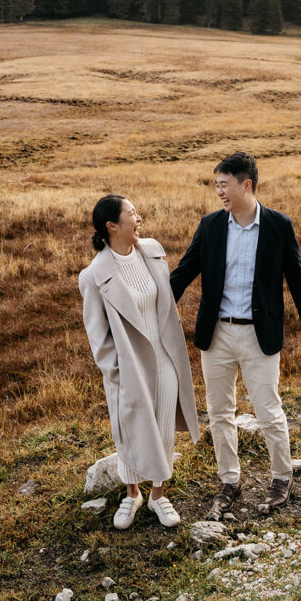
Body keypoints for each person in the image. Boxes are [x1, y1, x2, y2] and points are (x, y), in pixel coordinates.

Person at [170, 152, 301, 520]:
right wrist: (149, 307)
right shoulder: (209, 226)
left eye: (224, 184)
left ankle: (281, 478)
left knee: (268, 408)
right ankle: (229, 481)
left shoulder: (278, 226)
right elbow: (182, 274)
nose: (219, 191)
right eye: (216, 185)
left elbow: (298, 282)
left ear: (246, 185)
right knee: (220, 412)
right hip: (217, 334)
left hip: (260, 335)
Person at [79, 194, 199, 529]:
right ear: (112, 226)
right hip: (128, 369)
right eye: (132, 214)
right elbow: (97, 337)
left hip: (164, 359)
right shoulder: (93, 277)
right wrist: (116, 373)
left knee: (161, 428)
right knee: (128, 431)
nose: (139, 219)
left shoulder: (152, 251)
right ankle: (132, 494)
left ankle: (159, 495)